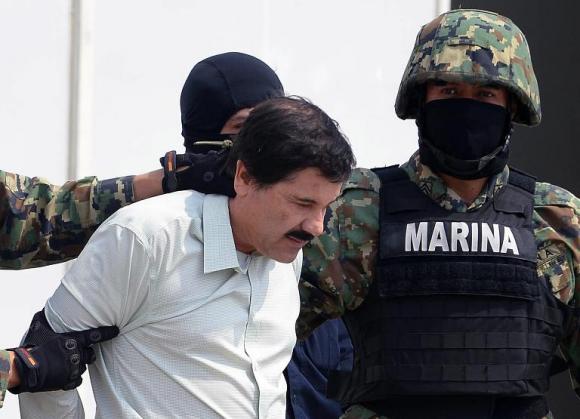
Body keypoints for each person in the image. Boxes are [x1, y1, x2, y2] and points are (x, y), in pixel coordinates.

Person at [295, 9, 579, 419]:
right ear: (421, 101)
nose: (466, 108)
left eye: (485, 94)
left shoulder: (559, 219)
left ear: (511, 107)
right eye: (448, 91)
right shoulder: (355, 209)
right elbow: (260, 334)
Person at [19, 96, 355, 418]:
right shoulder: (145, 239)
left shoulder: (287, 255)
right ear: (244, 178)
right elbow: (45, 355)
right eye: (302, 203)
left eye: (326, 207)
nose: (316, 226)